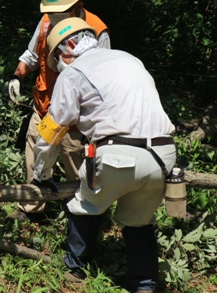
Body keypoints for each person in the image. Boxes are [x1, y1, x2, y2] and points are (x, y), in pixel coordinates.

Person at [32, 17, 176, 293]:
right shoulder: (130, 59)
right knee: (139, 221)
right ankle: (145, 283)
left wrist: (42, 174)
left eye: (58, 58)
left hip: (117, 156)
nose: (59, 65)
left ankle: (75, 268)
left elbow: (52, 131)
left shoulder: (73, 74)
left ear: (69, 46)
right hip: (163, 155)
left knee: (84, 205)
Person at [8, 0, 111, 221]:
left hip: (76, 118)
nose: (55, 20)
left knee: (77, 169)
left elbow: (105, 79)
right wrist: (17, 76)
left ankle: (82, 215)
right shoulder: (45, 22)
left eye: (61, 14)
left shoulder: (97, 31)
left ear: (79, 4)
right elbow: (32, 55)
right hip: (44, 107)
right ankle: (32, 209)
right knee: (35, 159)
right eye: (53, 14)